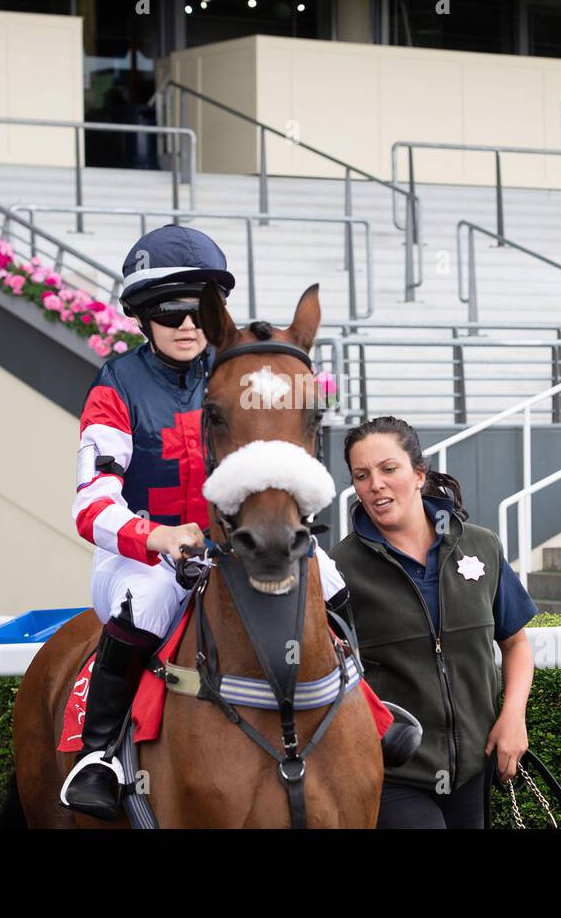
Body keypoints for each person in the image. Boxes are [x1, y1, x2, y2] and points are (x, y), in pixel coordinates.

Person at [61, 225, 410, 820]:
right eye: (170, 312)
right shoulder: (116, 385)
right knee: (146, 603)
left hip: (230, 546)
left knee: (327, 577)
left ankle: (368, 703)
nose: (188, 325)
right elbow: (90, 504)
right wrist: (159, 537)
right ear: (142, 317)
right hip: (143, 557)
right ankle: (99, 754)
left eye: (199, 311)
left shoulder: (235, 375)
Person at [330, 416, 538, 829]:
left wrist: (513, 717)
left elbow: (515, 643)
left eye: (389, 469)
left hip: (473, 770)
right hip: (392, 771)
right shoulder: (339, 569)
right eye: (362, 475)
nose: (376, 484)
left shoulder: (481, 546)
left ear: (419, 474)